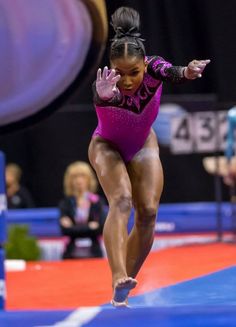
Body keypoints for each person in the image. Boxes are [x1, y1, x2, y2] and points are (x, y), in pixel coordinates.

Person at [88, 6, 210, 307]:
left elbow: (175, 73)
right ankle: (117, 274)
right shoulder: (107, 85)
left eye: (134, 72)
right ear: (112, 68)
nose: (127, 80)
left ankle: (124, 285)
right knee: (122, 200)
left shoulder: (154, 67)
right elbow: (108, 96)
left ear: (145, 63)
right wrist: (104, 93)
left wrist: (188, 71)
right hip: (107, 146)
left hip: (144, 143)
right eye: (120, 73)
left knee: (148, 214)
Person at [59, 161, 106, 259]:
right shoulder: (66, 203)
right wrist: (89, 227)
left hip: (94, 253)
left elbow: (100, 228)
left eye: (82, 176)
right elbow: (64, 230)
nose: (79, 180)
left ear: (89, 179)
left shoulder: (97, 202)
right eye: (75, 177)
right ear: (69, 181)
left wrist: (74, 227)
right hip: (71, 254)